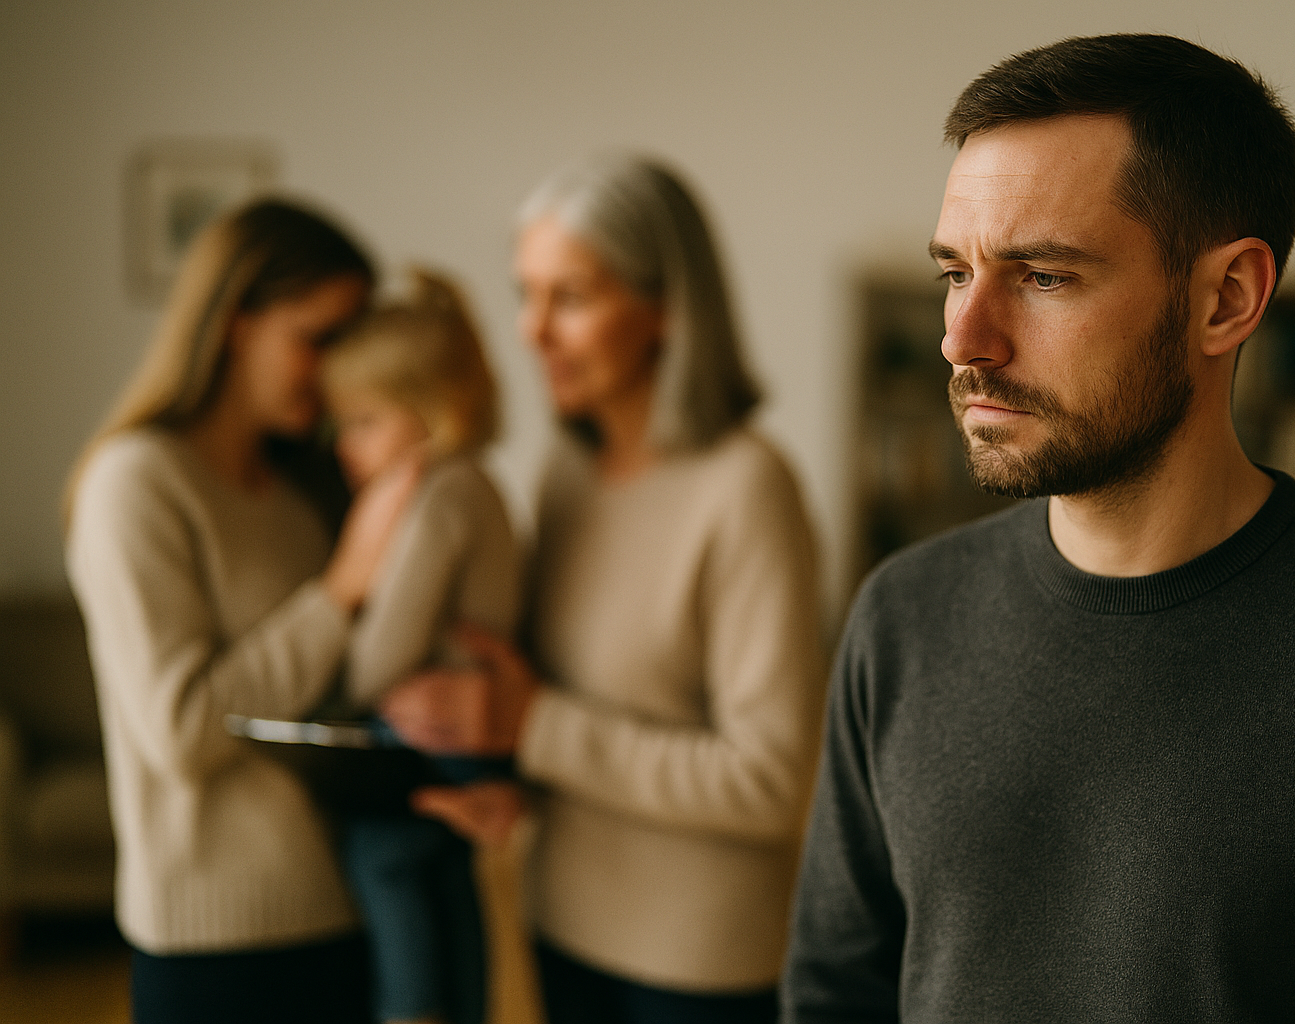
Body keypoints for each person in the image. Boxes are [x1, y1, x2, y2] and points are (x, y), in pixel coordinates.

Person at [781, 33, 1295, 1023]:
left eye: (1043, 275)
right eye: (954, 273)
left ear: (1227, 297)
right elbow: (836, 995)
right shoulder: (903, 617)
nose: (962, 338)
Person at [382, 155, 826, 1024]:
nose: (531, 331)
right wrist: (505, 774)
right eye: (526, 293)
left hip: (699, 964)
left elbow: (772, 784)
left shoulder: (748, 488)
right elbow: (563, 703)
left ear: (665, 310)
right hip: (561, 923)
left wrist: (533, 729)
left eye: (571, 298)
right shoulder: (566, 473)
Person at [64, 199, 419, 1023]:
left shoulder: (303, 493)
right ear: (234, 320)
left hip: (348, 916)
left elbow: (339, 699)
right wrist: (341, 589)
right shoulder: (136, 483)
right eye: (318, 338)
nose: (339, 374)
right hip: (216, 955)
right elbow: (184, 731)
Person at [320, 268, 525, 1024]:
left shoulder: (436, 495)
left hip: (416, 754)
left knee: (394, 897)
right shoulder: (488, 486)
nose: (345, 446)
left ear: (435, 412)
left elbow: (381, 655)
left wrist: (336, 685)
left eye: (364, 421)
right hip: (470, 760)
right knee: (457, 924)